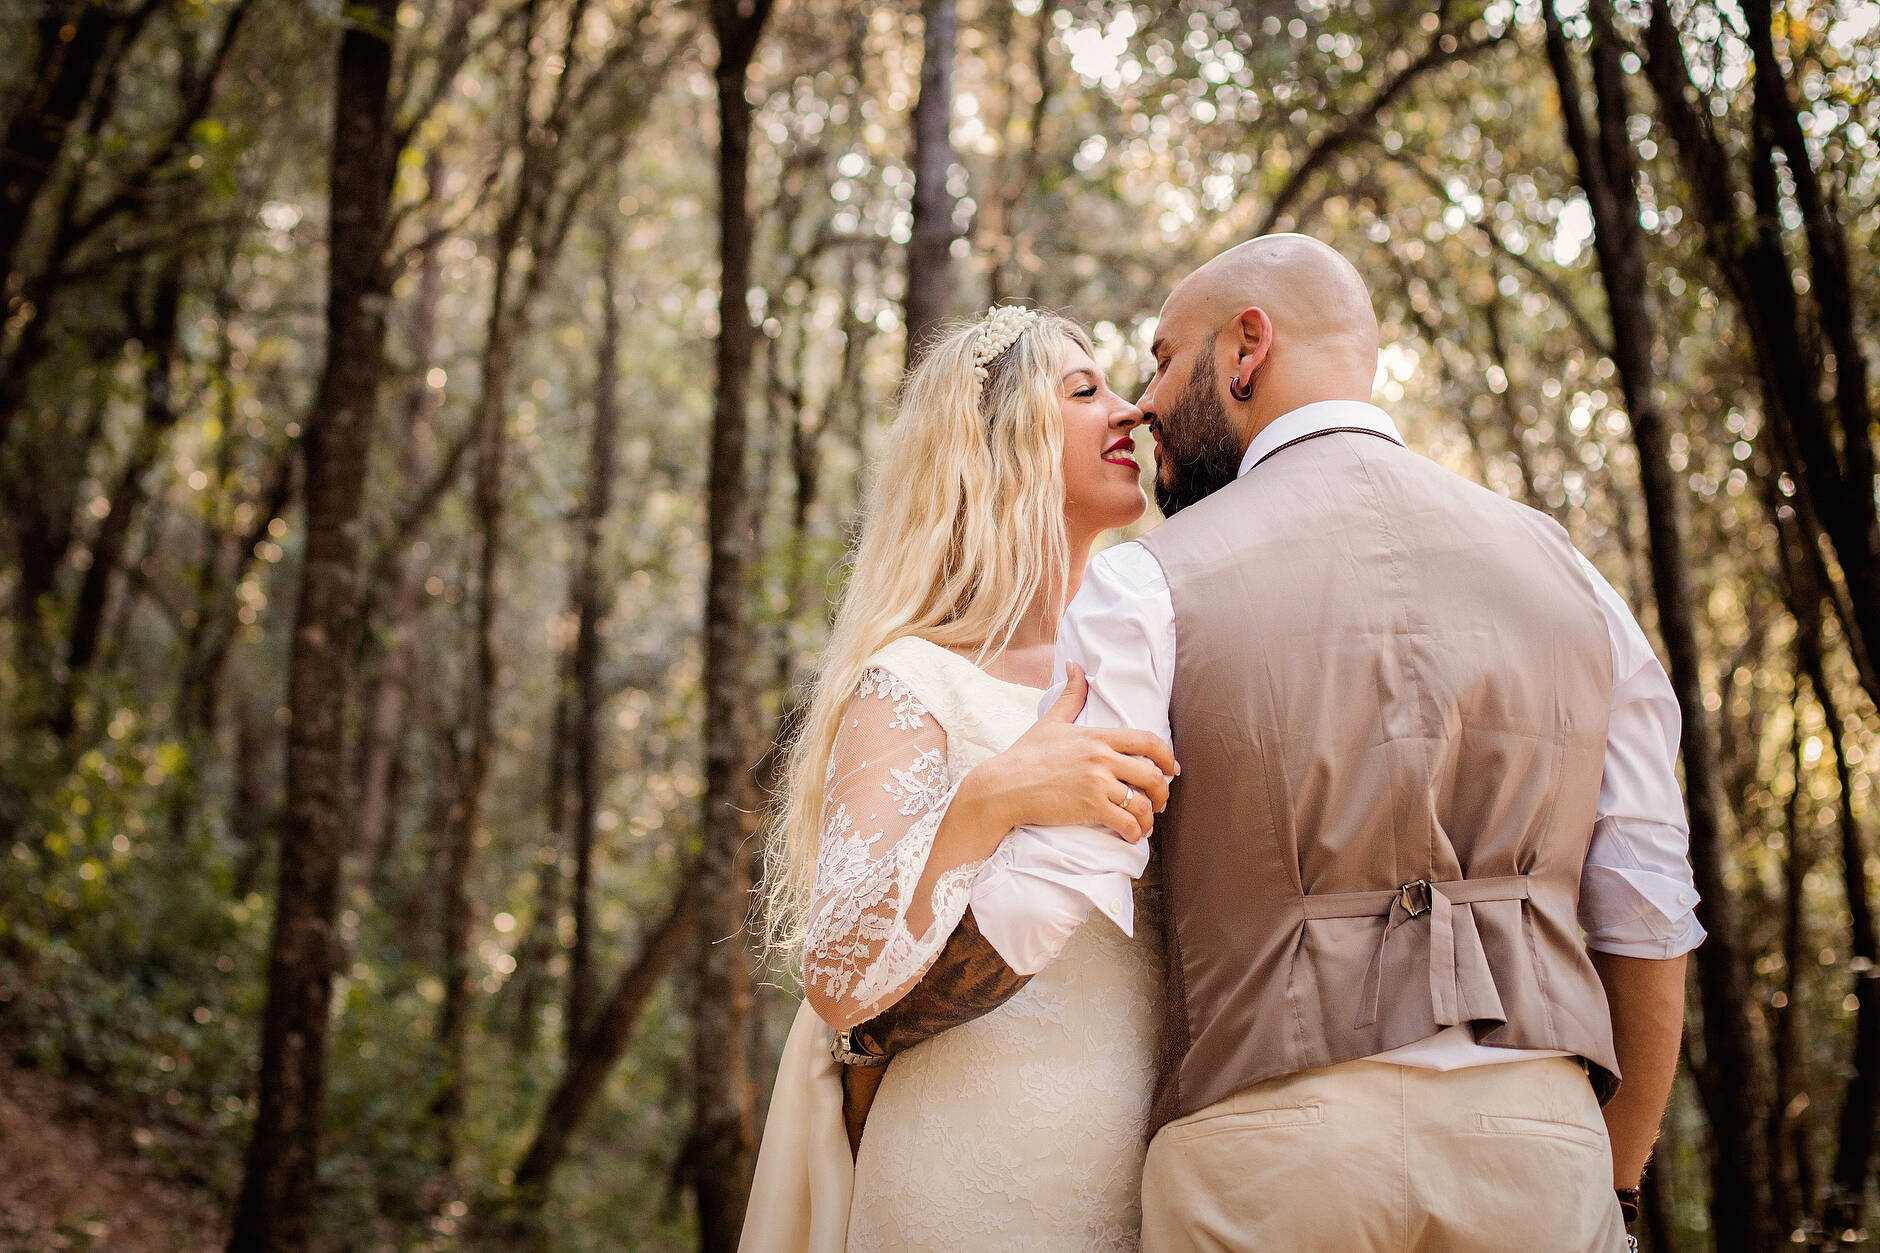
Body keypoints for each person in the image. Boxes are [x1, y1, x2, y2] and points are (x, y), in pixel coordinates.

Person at [834, 235, 1702, 1253]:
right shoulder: (1575, 583)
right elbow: (1644, 910)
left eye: (1159, 359)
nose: (1143, 402)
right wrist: (1610, 1171)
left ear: (1244, 350)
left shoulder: (1147, 584)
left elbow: (1046, 893)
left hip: (1268, 1157)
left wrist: (868, 1041)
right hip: (1538, 1148)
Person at [741, 307, 1180, 1253]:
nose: (1133, 410)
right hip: (970, 1177)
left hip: (1155, 1177)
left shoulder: (1155, 659)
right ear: (998, 444)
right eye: (1084, 390)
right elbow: (840, 974)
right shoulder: (916, 677)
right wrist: (994, 798)